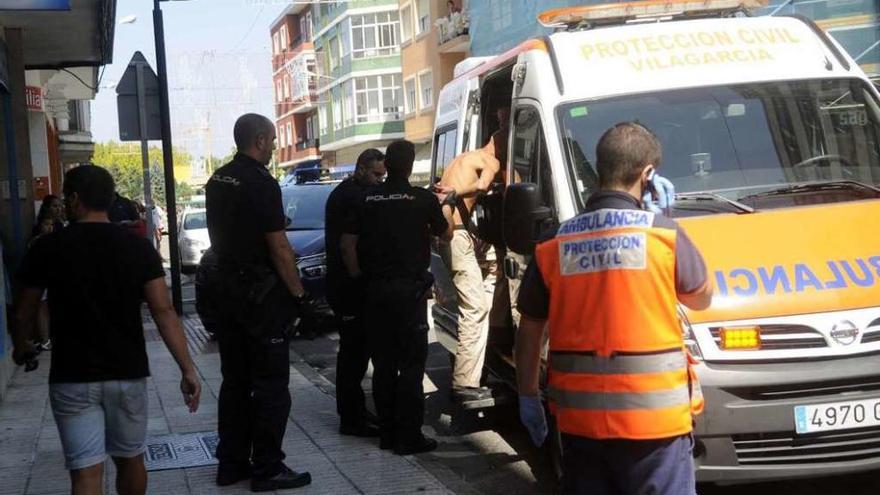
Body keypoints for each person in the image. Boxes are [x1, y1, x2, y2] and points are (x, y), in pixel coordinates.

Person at [514, 122, 713, 494]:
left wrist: (527, 394)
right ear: (648, 175)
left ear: (600, 169)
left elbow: (530, 327)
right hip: (656, 429)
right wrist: (668, 218)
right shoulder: (663, 235)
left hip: (580, 428)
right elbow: (701, 297)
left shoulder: (553, 242)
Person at [12, 165, 201, 495]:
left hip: (72, 375)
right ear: (109, 199)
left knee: (86, 472)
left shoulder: (47, 247)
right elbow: (163, 310)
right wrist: (187, 369)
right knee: (130, 460)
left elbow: (24, 309)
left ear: (73, 200)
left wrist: (21, 345)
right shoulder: (138, 247)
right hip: (126, 373)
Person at [205, 113, 314, 492]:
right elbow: (279, 247)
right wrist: (299, 294)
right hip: (259, 298)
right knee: (270, 385)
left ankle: (231, 464)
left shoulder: (218, 178)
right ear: (261, 140)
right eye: (270, 140)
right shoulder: (261, 182)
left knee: (234, 382)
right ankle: (267, 467)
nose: (272, 147)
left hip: (226, 293)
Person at [340, 140, 455, 455]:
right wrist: (445, 206)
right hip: (410, 295)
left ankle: (387, 433)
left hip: (375, 292)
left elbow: (347, 245)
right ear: (410, 167)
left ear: (387, 166)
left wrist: (360, 279)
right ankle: (409, 436)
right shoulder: (422, 199)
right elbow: (446, 234)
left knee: (384, 365)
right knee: (412, 366)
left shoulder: (366, 199)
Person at [437, 110, 508, 402]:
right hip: (456, 237)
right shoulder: (489, 162)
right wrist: (453, 193)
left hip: (457, 234)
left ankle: (489, 344)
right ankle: (465, 383)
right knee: (475, 308)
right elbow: (480, 187)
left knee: (498, 267)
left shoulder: (465, 157)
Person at [324, 148, 386, 437]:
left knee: (357, 353)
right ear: (360, 168)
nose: (379, 180)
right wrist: (359, 278)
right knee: (353, 355)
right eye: (375, 174)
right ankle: (351, 418)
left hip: (348, 285)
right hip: (348, 286)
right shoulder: (350, 197)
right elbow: (347, 246)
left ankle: (356, 413)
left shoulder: (350, 193)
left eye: (382, 175)